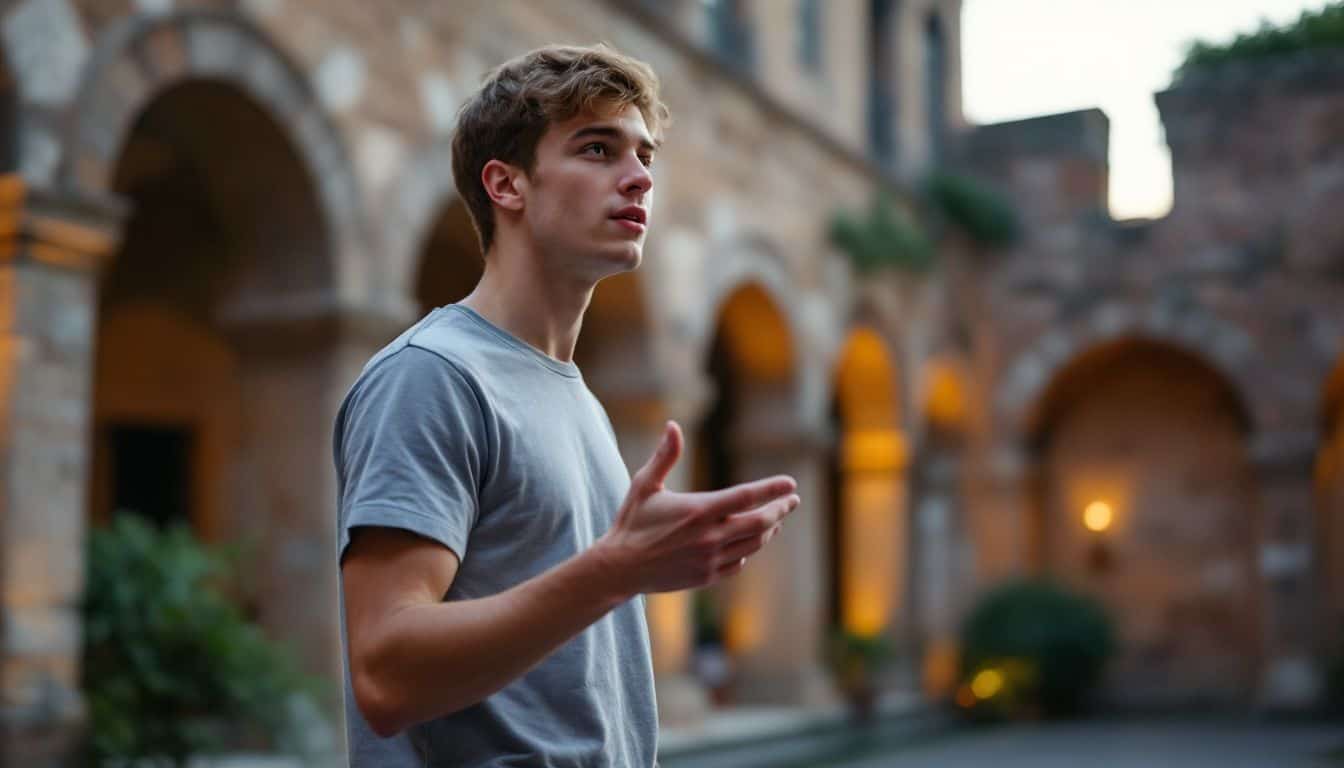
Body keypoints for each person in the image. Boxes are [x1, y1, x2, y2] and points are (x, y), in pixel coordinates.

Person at [333, 44, 801, 767]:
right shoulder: (432, 376)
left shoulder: (578, 397)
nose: (640, 177)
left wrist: (629, 565)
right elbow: (386, 674)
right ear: (507, 185)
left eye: (644, 154)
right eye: (597, 148)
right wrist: (617, 569)